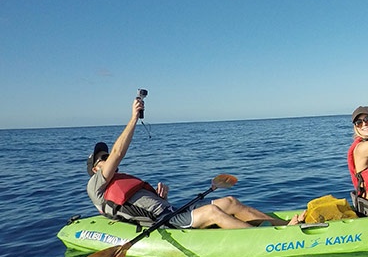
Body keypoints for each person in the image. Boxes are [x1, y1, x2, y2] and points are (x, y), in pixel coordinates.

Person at [87, 97, 299, 228]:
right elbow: (117, 153)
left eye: (107, 156)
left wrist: (159, 197)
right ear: (96, 168)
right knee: (213, 212)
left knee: (230, 201)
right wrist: (134, 118)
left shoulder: (119, 180)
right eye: (102, 158)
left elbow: (141, 207)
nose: (108, 159)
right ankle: (265, 239)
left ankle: (284, 226)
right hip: (166, 222)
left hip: (173, 210)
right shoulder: (96, 185)